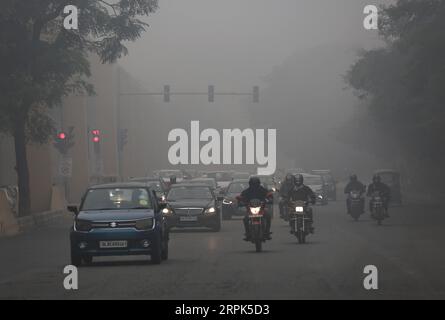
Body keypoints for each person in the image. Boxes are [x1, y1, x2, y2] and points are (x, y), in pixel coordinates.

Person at [237, 177, 273, 241]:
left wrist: (269, 199)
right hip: (250, 211)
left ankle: (267, 232)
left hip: (261, 210)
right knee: (245, 219)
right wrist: (240, 201)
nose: (254, 185)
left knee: (268, 216)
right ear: (250, 184)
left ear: (258, 183)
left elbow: (269, 195)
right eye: (253, 184)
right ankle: (248, 233)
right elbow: (241, 197)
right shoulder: (247, 191)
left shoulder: (262, 190)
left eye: (256, 184)